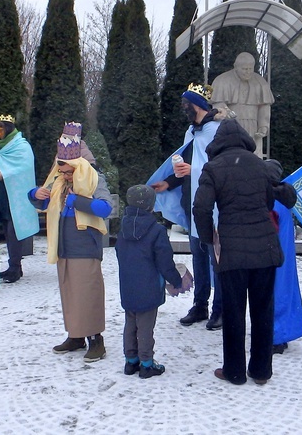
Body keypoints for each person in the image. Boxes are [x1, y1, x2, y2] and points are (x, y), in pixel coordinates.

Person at [193, 119, 296, 386]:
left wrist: (208, 239)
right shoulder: (259, 165)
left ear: (218, 144)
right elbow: (271, 200)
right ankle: (261, 371)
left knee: (234, 311)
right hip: (265, 248)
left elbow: (201, 209)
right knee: (263, 310)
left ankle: (235, 372)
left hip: (232, 252)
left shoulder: (212, 168)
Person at [28, 122, 112, 363]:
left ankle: (96, 339)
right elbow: (43, 204)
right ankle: (75, 335)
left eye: (67, 172)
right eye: (61, 172)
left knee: (88, 293)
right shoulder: (59, 183)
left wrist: (78, 201)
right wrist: (35, 194)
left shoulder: (95, 180)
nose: (63, 176)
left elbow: (105, 208)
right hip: (63, 247)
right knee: (69, 293)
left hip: (85, 247)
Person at [148, 83, 224, 330]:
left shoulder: (218, 131)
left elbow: (222, 169)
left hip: (213, 208)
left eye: (186, 105)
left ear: (198, 106)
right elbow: (185, 169)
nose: (183, 109)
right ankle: (200, 305)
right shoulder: (191, 133)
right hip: (193, 207)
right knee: (200, 258)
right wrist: (168, 182)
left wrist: (194, 170)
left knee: (218, 261)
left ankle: (220, 310)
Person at [115, 184, 188, 379]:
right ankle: (147, 363)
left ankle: (130, 361)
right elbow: (164, 261)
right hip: (149, 285)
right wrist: (176, 280)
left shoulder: (122, 228)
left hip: (128, 284)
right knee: (145, 326)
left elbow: (119, 253)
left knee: (130, 323)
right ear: (151, 205)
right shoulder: (156, 230)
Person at [0, 114, 39, 283]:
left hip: (16, 194)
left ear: (8, 129)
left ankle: (15, 267)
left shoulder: (22, 146)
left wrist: (3, 174)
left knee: (14, 231)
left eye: (1, 129)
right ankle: (14, 266)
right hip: (2, 192)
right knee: (6, 229)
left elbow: (24, 167)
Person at [265, 160, 302, 353]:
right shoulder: (285, 198)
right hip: (286, 256)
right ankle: (284, 333)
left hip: (272, 255)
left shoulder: (270, 202)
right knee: (286, 292)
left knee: (273, 294)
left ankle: (276, 337)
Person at [211, 52, 275, 157]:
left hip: (253, 129)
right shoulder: (222, 81)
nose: (248, 72)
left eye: (250, 69)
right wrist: (227, 114)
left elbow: (264, 107)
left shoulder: (260, 82)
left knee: (253, 158)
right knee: (232, 156)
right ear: (236, 67)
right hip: (230, 127)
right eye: (244, 69)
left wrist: (264, 126)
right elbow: (219, 105)